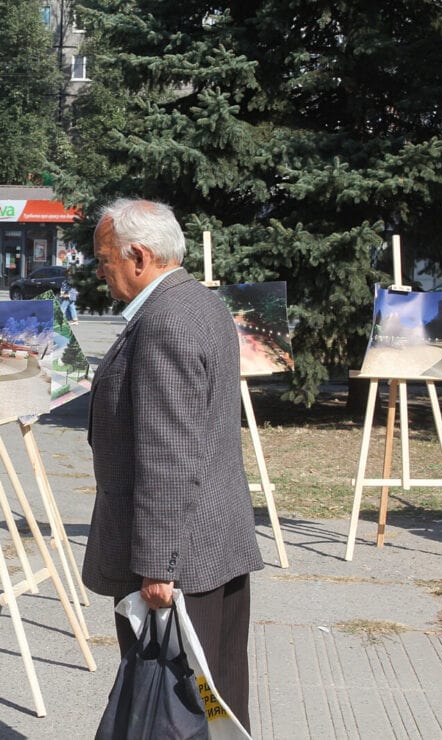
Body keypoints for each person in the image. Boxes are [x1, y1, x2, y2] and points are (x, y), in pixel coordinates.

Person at [82, 198, 263, 732]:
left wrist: (157, 567)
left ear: (138, 256)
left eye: (104, 259)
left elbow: (165, 454)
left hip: (179, 558)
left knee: (180, 705)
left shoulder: (165, 321)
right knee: (215, 698)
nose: (100, 271)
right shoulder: (200, 304)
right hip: (212, 544)